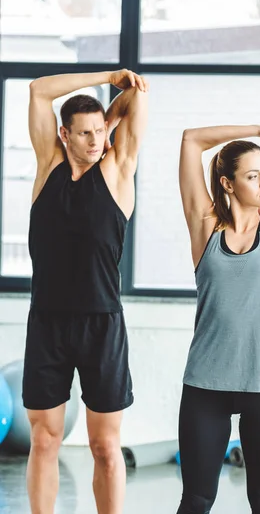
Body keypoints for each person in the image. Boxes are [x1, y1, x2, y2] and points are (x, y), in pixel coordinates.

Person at [23, 68, 148, 514]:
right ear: (64, 134)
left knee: (104, 445)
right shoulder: (48, 166)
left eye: (100, 131)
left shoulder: (117, 172)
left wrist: (108, 118)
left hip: (103, 325)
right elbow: (38, 90)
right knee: (44, 438)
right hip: (48, 323)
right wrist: (105, 76)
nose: (95, 140)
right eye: (85, 133)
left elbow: (137, 95)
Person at [176, 124, 260, 514]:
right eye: (252, 177)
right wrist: (257, 130)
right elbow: (190, 140)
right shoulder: (205, 227)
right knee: (196, 500)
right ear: (227, 184)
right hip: (205, 386)